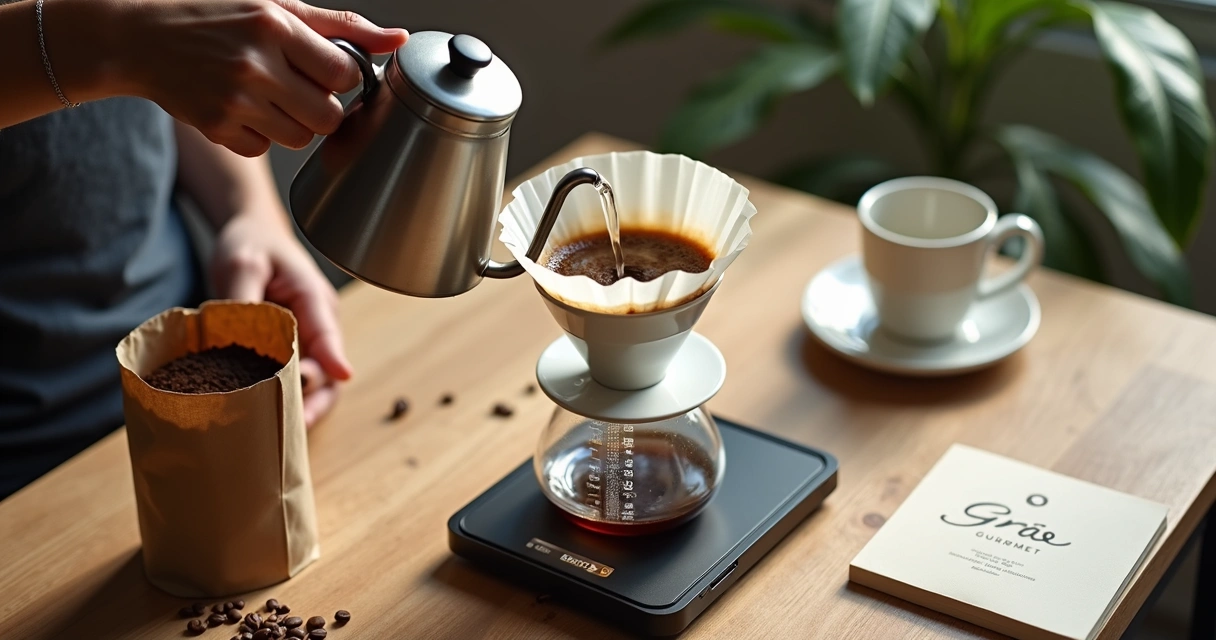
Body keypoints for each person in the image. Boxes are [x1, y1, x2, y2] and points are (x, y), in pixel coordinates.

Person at [0, 0, 409, 498]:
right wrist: (117, 40)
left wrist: (252, 215)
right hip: (22, 457)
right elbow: (148, 38)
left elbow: (178, 58)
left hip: (188, 365)